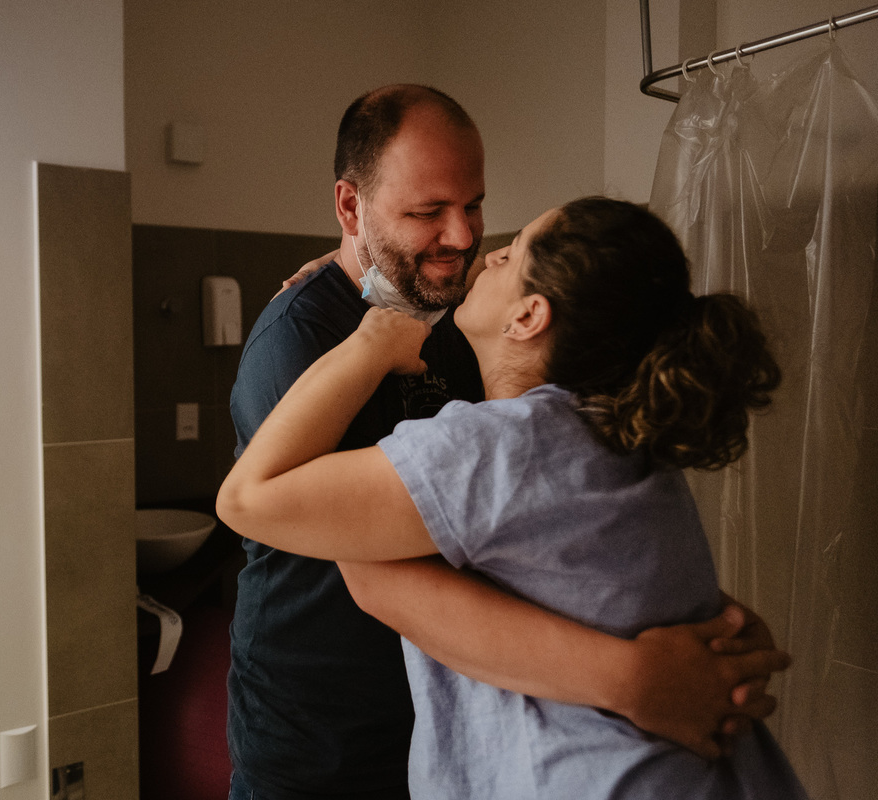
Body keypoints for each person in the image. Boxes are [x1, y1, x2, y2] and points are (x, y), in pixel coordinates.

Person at [225, 85, 788, 800]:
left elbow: (542, 522)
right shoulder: (304, 338)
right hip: (328, 748)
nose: (467, 241)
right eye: (428, 212)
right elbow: (376, 571)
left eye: (476, 207)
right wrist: (637, 676)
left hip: (484, 731)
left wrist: (693, 618)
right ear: (350, 207)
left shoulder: (470, 332)